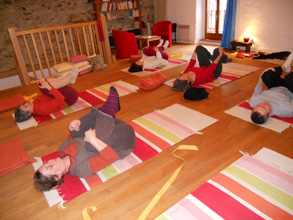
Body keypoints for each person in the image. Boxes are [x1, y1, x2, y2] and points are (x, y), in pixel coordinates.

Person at [34, 86, 136, 191]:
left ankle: (107, 112)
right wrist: (93, 140)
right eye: (50, 167)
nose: (50, 161)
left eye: (46, 163)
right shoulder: (80, 169)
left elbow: (74, 136)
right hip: (124, 138)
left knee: (74, 132)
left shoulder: (62, 149)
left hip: (112, 125)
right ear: (57, 177)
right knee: (91, 146)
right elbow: (111, 157)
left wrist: (74, 125)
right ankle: (107, 111)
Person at [14, 66, 79, 122]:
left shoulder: (35, 104)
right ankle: (71, 77)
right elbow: (60, 99)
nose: (26, 103)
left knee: (41, 85)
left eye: (24, 104)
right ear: (29, 113)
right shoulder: (43, 109)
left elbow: (47, 95)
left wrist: (47, 85)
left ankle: (70, 77)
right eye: (25, 106)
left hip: (63, 96)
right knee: (44, 87)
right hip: (69, 98)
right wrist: (49, 87)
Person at [249, 53, 293, 124]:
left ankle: (285, 66)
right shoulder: (286, 110)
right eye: (264, 108)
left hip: (275, 86)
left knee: (266, 75)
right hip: (290, 89)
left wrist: (262, 75)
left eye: (258, 105)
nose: (262, 103)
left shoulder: (253, 102)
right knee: (290, 78)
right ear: (269, 115)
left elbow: (258, 88)